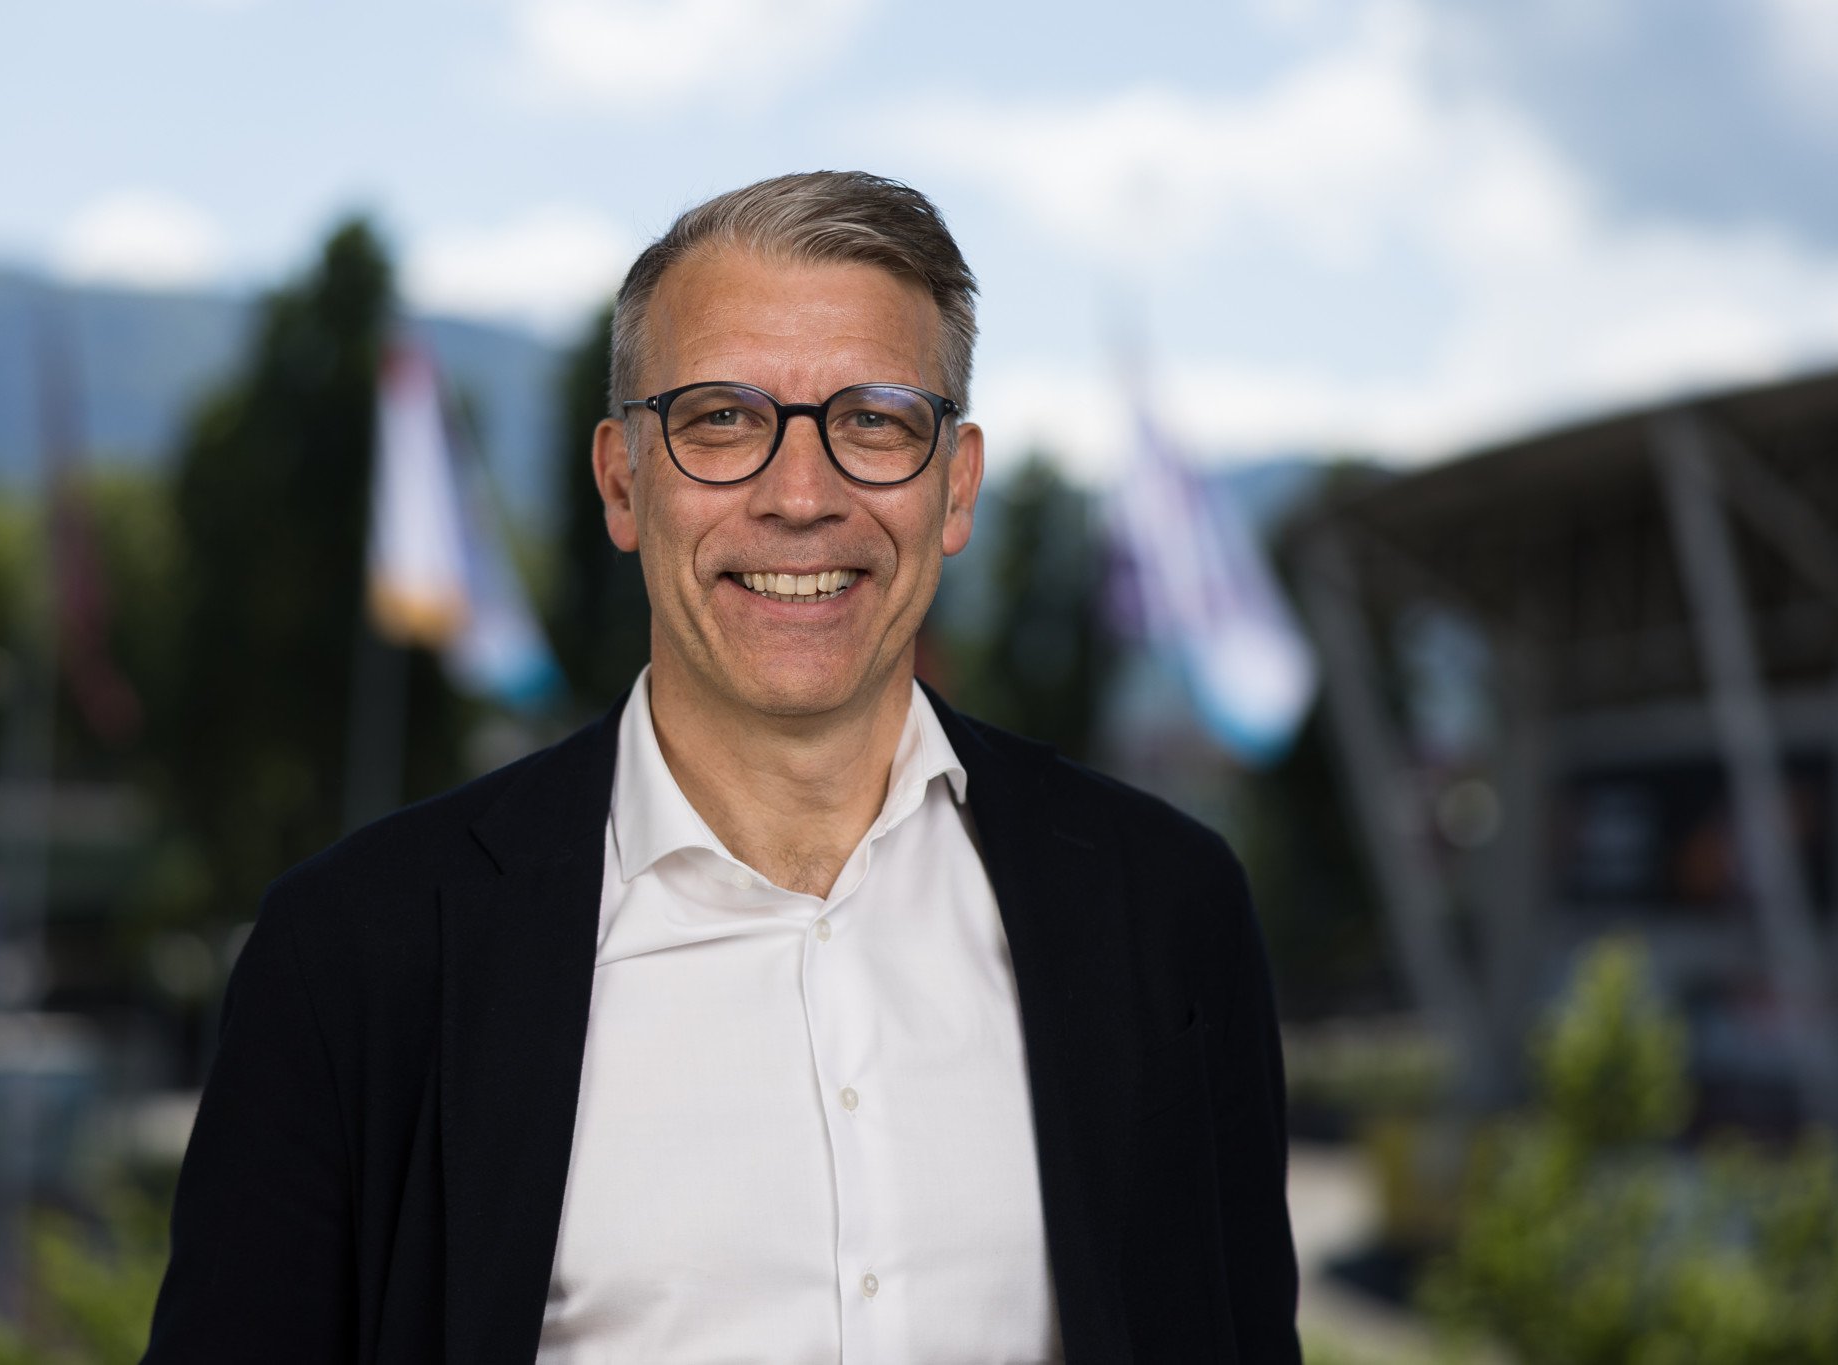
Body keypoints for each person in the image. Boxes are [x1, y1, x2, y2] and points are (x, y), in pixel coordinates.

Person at [142, 171, 1300, 1364]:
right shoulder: (355, 955)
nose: (800, 497)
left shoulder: (1166, 914)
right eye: (721, 421)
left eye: (874, 421)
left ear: (955, 487)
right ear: (620, 482)